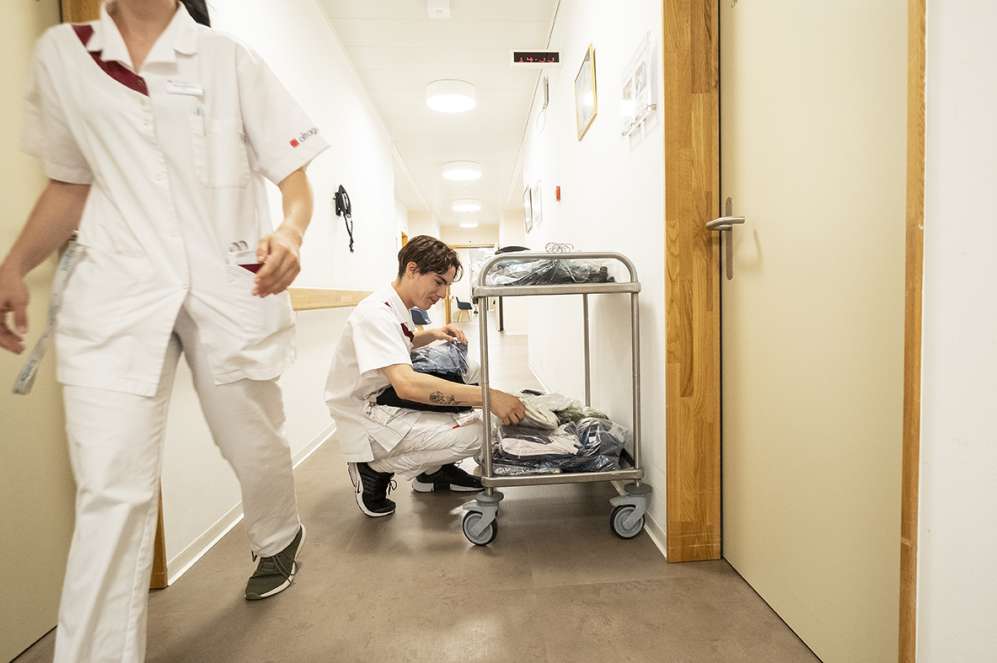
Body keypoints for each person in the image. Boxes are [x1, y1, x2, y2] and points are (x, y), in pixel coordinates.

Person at [0, 1, 327, 660]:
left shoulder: (228, 60)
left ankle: (277, 534)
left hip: (229, 286)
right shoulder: (67, 55)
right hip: (116, 297)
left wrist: (290, 232)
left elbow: (294, 179)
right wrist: (15, 264)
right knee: (111, 492)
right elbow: (69, 183)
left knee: (251, 443)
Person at [325, 235, 527, 517]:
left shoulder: (396, 305)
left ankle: (433, 472)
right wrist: (488, 397)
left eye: (446, 285)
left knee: (469, 371)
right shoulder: (375, 314)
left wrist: (431, 334)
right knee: (480, 433)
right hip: (368, 416)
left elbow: (399, 344)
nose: (442, 294)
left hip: (385, 397)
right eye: (438, 282)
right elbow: (407, 386)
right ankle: (372, 468)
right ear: (412, 269)